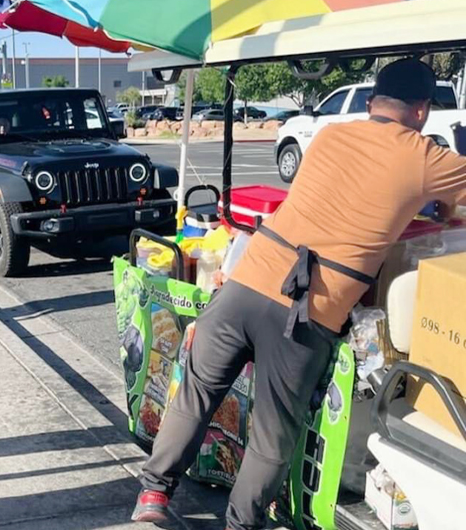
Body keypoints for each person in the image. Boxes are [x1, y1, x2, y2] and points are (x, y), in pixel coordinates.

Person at [132, 59, 466, 529]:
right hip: (305, 312)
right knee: (272, 434)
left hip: (246, 282)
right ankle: (241, 525)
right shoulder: (424, 156)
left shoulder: (330, 136)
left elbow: (345, 192)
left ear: (371, 103)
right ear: (422, 111)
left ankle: (152, 498)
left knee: (196, 395)